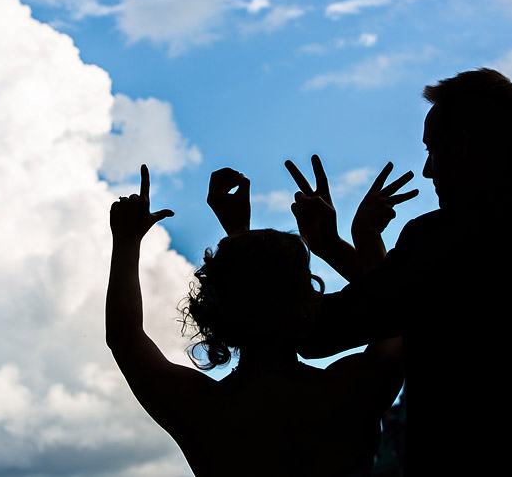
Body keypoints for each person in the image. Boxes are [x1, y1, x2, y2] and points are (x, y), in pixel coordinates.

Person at [285, 68, 512, 475]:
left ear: (466, 148)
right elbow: (410, 301)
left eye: (432, 150)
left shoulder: (440, 238)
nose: (427, 171)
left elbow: (322, 332)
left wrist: (256, 255)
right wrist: (339, 246)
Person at [106, 164, 412, 476]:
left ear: (215, 311)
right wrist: (352, 241)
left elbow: (125, 337)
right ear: (307, 302)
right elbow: (395, 315)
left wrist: (127, 241)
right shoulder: (347, 392)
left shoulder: (205, 409)